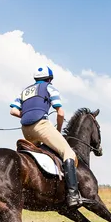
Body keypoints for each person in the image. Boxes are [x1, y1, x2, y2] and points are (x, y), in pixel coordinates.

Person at [10, 65, 82, 208]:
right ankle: (73, 195)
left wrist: (26, 114)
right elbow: (60, 112)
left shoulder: (24, 92)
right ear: (50, 79)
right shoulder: (49, 88)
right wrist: (59, 130)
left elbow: (13, 111)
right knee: (68, 153)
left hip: (26, 130)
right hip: (42, 126)